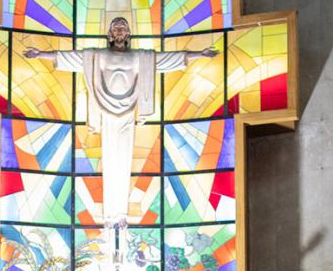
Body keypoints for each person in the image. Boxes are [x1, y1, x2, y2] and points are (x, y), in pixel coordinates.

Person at [25, 18, 216, 229]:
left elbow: (166, 60)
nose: (119, 30)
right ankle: (109, 215)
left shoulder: (139, 57)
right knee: (109, 159)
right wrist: (41, 54)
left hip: (127, 113)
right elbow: (71, 58)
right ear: (109, 34)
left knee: (123, 161)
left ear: (128, 33)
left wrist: (199, 54)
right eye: (115, 27)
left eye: (123, 27)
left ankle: (122, 213)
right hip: (106, 112)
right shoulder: (97, 56)